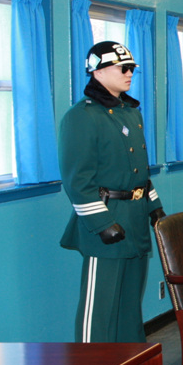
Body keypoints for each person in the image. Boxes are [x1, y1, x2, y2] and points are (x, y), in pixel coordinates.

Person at [59, 41, 165, 342]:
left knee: (130, 303)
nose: (130, 73)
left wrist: (154, 206)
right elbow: (77, 181)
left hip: (135, 218)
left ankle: (133, 360)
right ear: (99, 71)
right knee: (100, 306)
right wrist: (102, 223)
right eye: (123, 68)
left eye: (131, 68)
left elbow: (140, 172)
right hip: (106, 219)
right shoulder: (82, 116)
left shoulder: (130, 113)